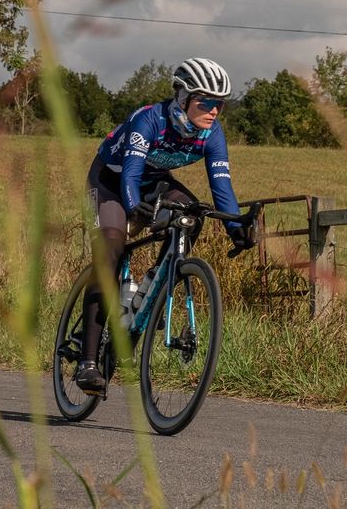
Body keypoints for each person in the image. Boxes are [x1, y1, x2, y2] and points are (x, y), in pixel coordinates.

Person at [74, 57, 252, 394]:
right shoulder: (149, 119)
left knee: (193, 214)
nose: (214, 110)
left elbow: (221, 186)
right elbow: (130, 173)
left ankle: (151, 292)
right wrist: (132, 207)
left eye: (220, 104)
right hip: (112, 180)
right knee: (110, 249)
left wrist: (235, 228)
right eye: (206, 102)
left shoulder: (212, 134)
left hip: (155, 180)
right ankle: (87, 362)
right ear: (183, 98)